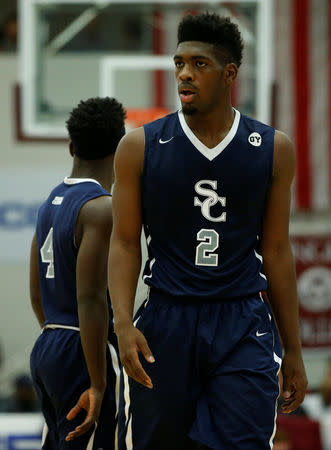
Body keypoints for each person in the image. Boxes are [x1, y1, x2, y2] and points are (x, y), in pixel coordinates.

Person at [108, 12, 308, 450]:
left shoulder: (273, 148)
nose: (184, 73)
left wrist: (293, 348)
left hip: (241, 320)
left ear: (229, 73)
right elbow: (123, 242)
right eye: (179, 63)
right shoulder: (139, 146)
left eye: (199, 64)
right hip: (166, 318)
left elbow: (276, 250)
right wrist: (122, 322)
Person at [29, 97, 126, 449]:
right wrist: (98, 383)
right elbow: (91, 298)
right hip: (84, 349)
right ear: (120, 149)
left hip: (48, 344)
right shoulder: (101, 208)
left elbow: (36, 293)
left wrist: (57, 341)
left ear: (72, 146)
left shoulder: (48, 203)